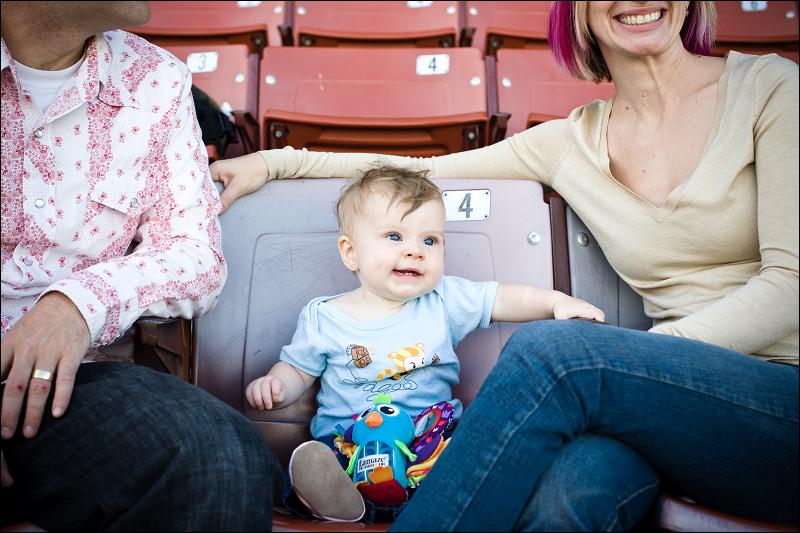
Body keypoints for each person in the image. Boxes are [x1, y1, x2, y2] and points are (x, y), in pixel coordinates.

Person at [211, 0, 798, 529]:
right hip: (665, 412)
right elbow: (417, 175)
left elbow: (791, 286)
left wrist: (636, 361)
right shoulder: (569, 143)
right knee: (569, 497)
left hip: (778, 402)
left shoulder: (770, 88)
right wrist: (274, 162)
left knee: (555, 354)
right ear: (580, 12)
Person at [0, 2, 281, 530]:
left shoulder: (157, 79)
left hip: (76, 388)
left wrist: (77, 305)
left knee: (220, 455)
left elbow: (196, 256)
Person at [246, 165, 605, 523]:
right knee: (329, 459)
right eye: (394, 236)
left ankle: (399, 498)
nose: (415, 251)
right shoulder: (324, 316)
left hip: (425, 441)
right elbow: (298, 369)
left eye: (429, 240)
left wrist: (557, 302)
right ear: (350, 252)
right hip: (352, 442)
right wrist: (278, 386)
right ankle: (338, 498)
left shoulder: (442, 298)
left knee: (457, 453)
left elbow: (502, 298)